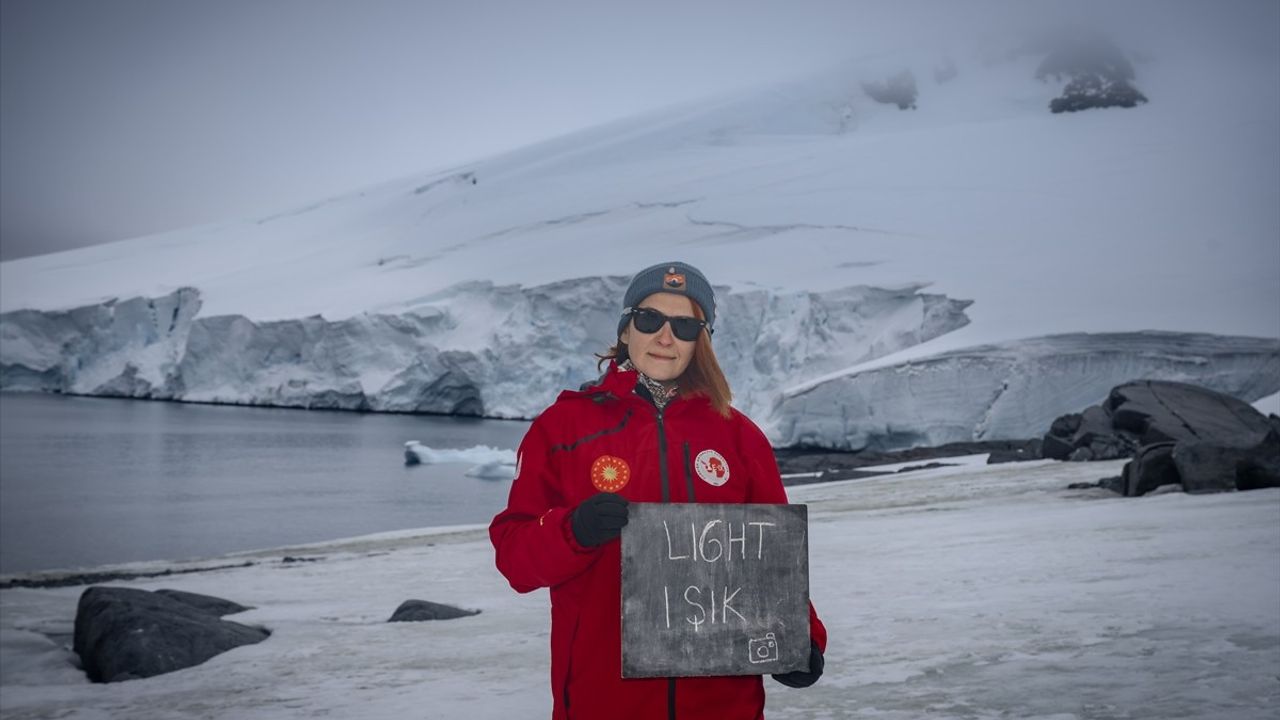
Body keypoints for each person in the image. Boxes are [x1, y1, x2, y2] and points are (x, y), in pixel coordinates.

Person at [490, 261, 827, 719]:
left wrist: (802, 639)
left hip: (723, 706)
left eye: (685, 326)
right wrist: (573, 531)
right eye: (650, 320)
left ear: (701, 342)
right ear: (627, 329)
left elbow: (769, 561)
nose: (665, 337)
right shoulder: (564, 429)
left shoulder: (740, 438)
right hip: (603, 702)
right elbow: (514, 559)